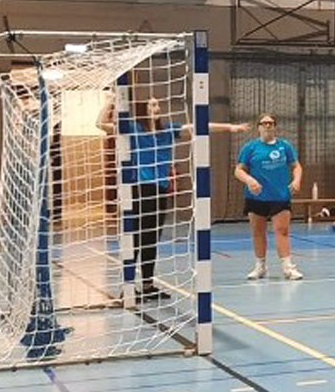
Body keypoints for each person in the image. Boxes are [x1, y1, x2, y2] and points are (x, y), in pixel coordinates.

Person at [97, 93, 247, 301]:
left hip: (159, 190)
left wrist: (229, 127)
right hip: (139, 189)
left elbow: (198, 127)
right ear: (143, 110)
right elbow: (101, 124)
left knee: (152, 239)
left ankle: (147, 285)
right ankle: (127, 287)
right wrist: (110, 101)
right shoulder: (133, 129)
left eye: (158, 104)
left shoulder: (167, 130)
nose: (157, 108)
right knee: (136, 238)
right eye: (152, 105)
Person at [236, 113, 303, 280]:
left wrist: (296, 180)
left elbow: (296, 166)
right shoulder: (250, 148)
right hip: (256, 197)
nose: (267, 126)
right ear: (258, 127)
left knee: (282, 230)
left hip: (280, 196)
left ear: (275, 126)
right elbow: (238, 170)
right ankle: (260, 267)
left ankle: (288, 268)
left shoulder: (284, 146)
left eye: (271, 123)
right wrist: (249, 180)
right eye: (264, 123)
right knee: (258, 232)